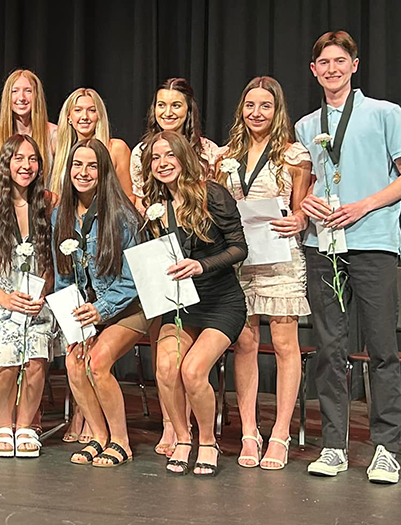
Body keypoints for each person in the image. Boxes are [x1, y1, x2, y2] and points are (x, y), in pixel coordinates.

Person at [295, 30, 401, 484]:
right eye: (323, 63)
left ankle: (386, 447)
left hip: (372, 241)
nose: (331, 69)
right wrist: (305, 201)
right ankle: (334, 444)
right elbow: (306, 185)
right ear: (314, 71)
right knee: (330, 349)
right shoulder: (306, 126)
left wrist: (365, 204)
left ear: (354, 65)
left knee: (382, 348)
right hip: (323, 245)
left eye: (339, 61)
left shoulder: (385, 113)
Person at [215, 77, 312, 469]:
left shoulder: (294, 155)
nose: (257, 112)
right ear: (242, 109)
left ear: (277, 111)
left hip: (280, 258)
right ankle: (250, 432)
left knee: (286, 344)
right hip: (239, 259)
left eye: (265, 106)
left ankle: (281, 434)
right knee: (246, 344)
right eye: (250, 105)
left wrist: (300, 219)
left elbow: (303, 208)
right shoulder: (225, 158)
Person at [143, 131, 247, 476]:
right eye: (156, 158)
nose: (162, 163)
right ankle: (183, 438)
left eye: (169, 155)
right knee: (165, 369)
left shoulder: (211, 194)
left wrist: (202, 265)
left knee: (192, 370)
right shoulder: (155, 208)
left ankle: (207, 441)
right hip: (181, 305)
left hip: (221, 302)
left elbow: (238, 248)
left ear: (184, 157)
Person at [52, 138, 148, 467]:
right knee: (73, 361)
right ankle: (98, 435)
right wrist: (75, 322)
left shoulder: (122, 215)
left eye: (92, 165)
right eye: (77, 165)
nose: (84, 171)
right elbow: (63, 277)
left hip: (128, 307)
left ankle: (121, 441)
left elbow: (133, 280)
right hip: (89, 309)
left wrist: (100, 310)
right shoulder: (60, 215)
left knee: (97, 362)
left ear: (103, 170)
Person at [0, 134, 57, 458]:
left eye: (32, 159)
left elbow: (51, 260)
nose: (26, 165)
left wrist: (42, 291)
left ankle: (26, 424)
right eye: (18, 158)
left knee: (36, 351)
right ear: (5, 164)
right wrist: (4, 298)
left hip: (34, 296)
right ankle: (3, 424)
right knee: (5, 347)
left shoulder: (47, 203)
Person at [130, 78, 220, 207]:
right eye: (161, 105)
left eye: (176, 106)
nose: (167, 113)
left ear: (188, 109)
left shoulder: (208, 150)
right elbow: (141, 202)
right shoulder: (141, 152)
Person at [49, 88, 132, 199]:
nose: (84, 117)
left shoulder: (116, 148)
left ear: (99, 116)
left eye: (92, 110)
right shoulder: (60, 149)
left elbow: (129, 197)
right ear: (69, 117)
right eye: (78, 110)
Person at [0, 69, 57, 172]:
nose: (21, 97)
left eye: (28, 91)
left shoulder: (54, 134)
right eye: (15, 91)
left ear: (37, 96)